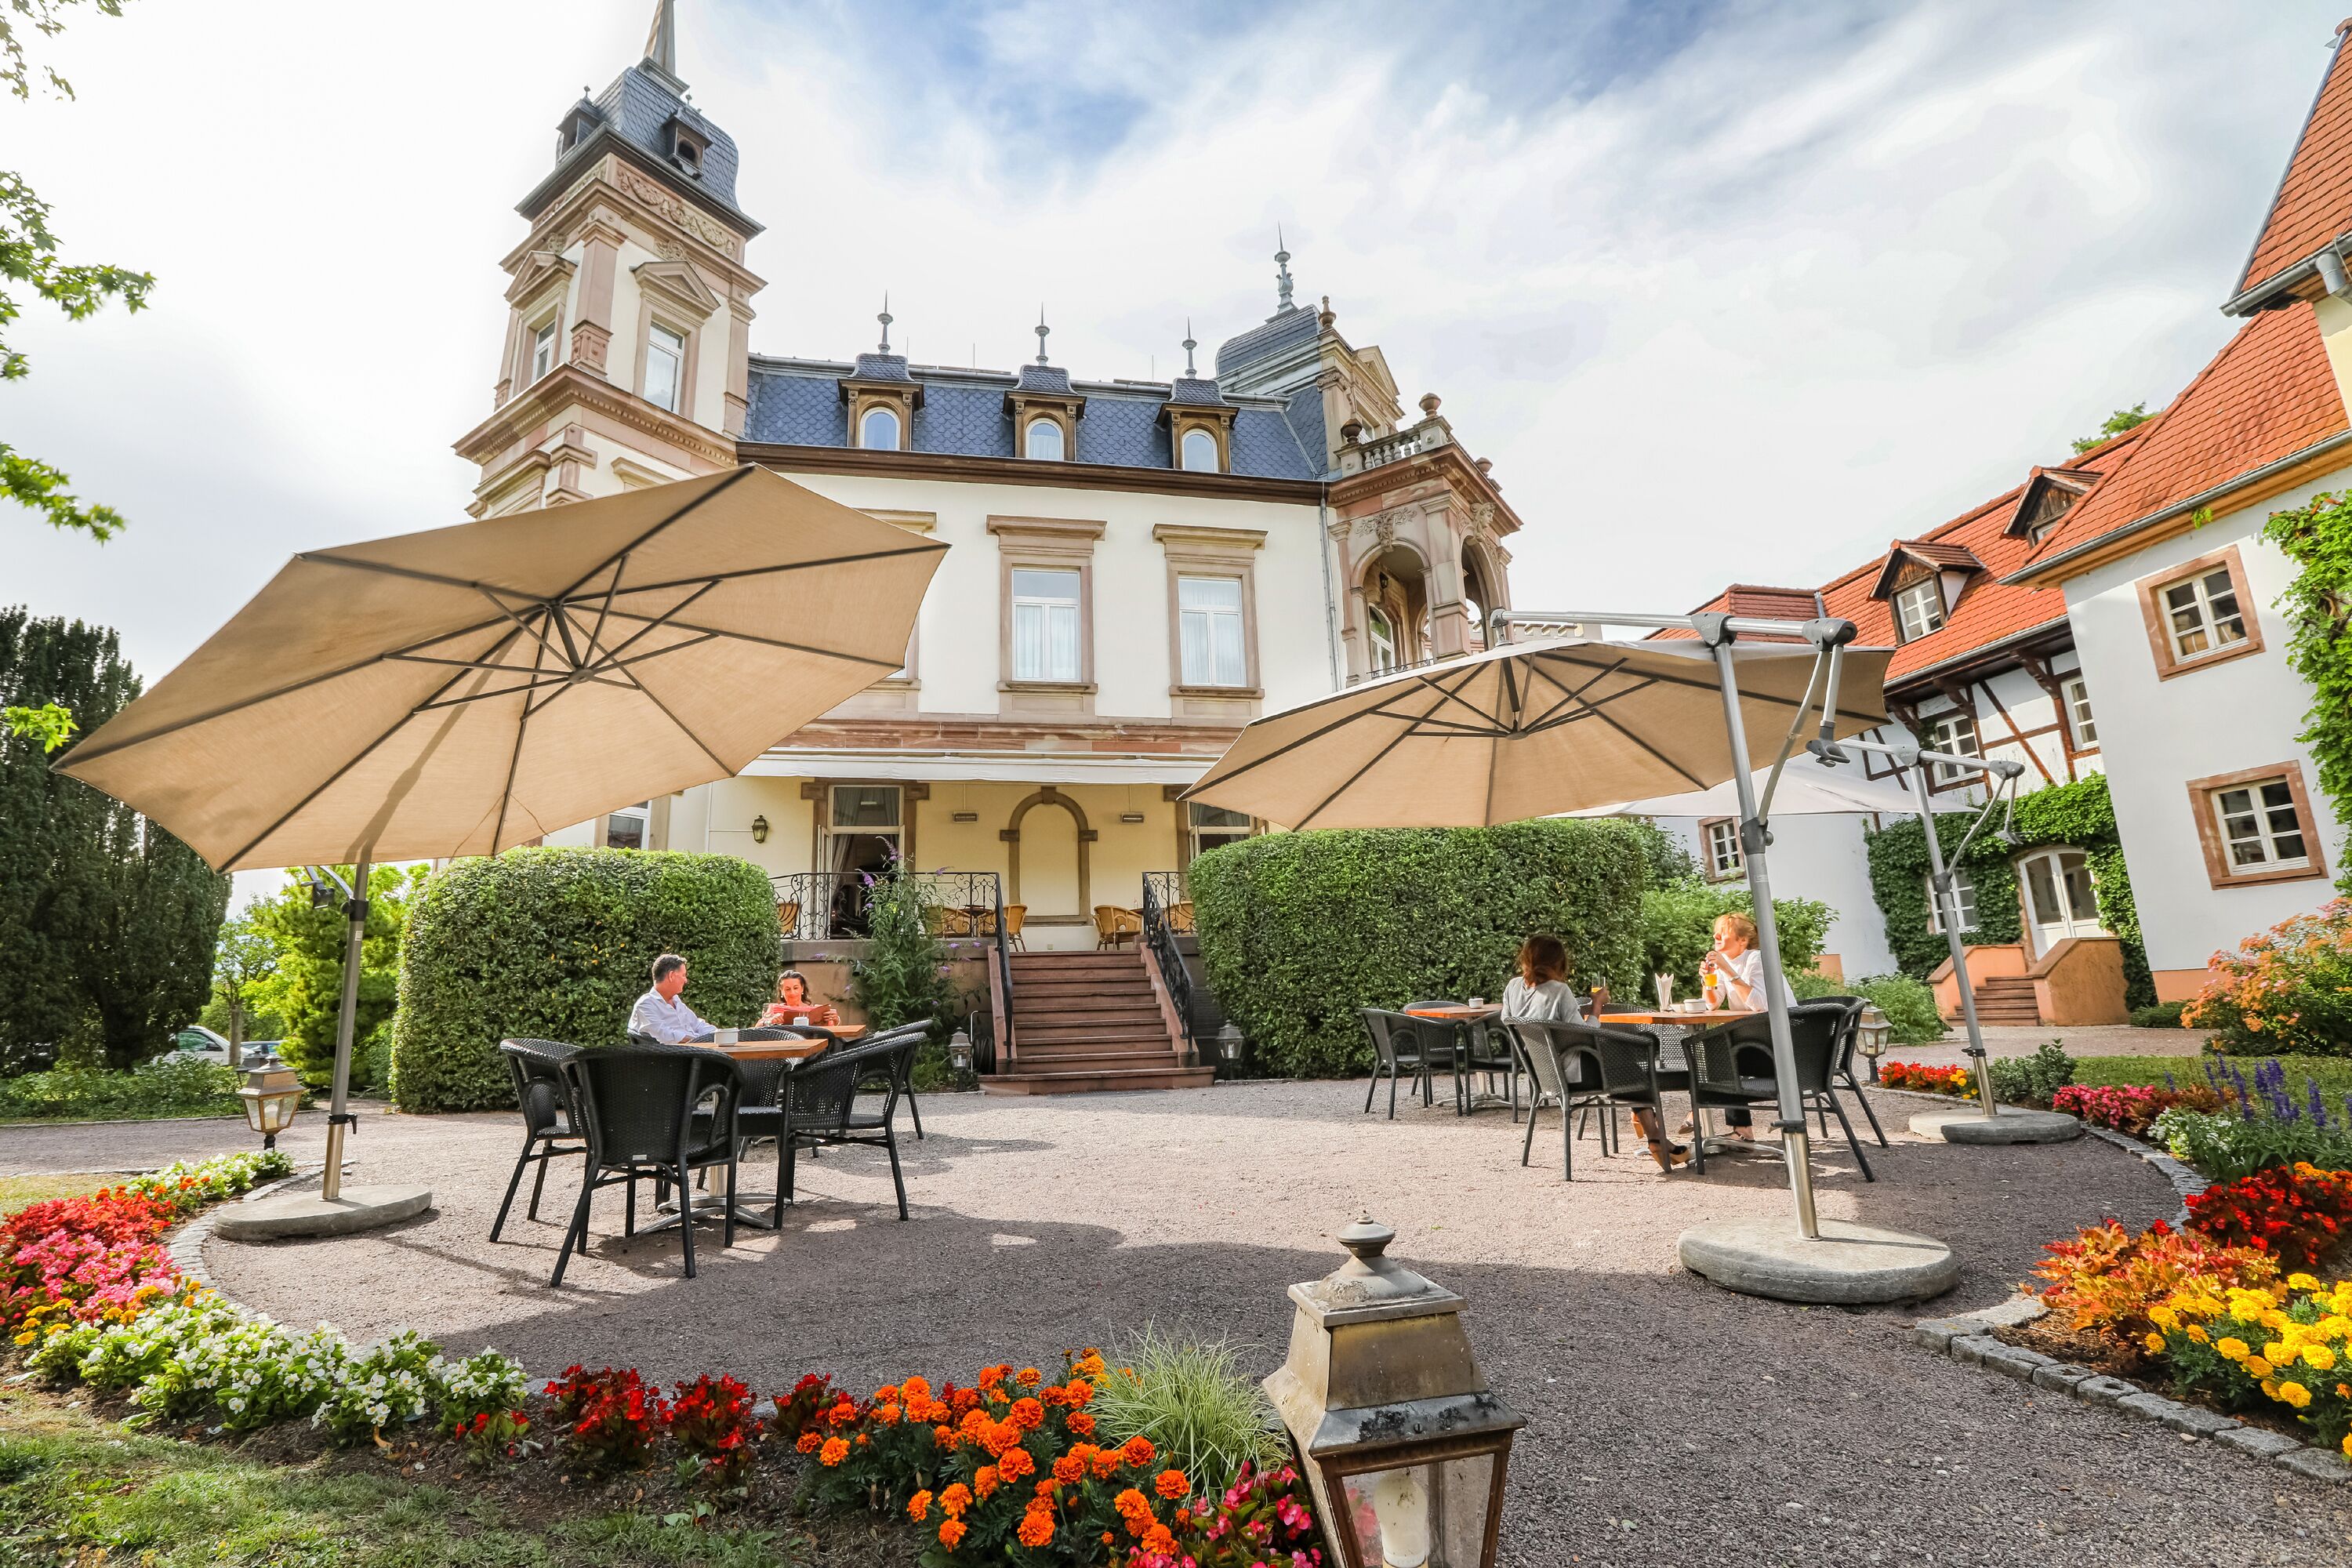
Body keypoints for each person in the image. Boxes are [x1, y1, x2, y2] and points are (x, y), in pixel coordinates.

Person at [1504, 935, 1684, 1171]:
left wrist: (1583, 1009)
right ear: (1559, 962)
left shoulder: (1513, 987)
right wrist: (1597, 1006)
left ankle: (1646, 1121)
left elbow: (1523, 1020)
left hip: (1541, 1072)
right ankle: (1654, 1135)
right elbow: (1584, 1033)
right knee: (1634, 1063)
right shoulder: (1560, 990)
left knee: (1624, 1061)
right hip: (1574, 1074)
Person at [1695, 912, 1768, 1141]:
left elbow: (1759, 1004)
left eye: (1723, 933)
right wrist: (1708, 980)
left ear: (1742, 941)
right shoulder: (1724, 965)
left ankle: (1702, 1113)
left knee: (1721, 1057)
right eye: (1716, 932)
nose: (1716, 936)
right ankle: (1741, 1130)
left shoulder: (1756, 959)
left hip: (1779, 1047)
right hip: (1755, 1042)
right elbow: (1712, 1004)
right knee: (1715, 1054)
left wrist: (1728, 970)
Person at [630, 953, 713, 1044]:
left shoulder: (676, 1001)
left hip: (696, 1051)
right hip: (679, 1056)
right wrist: (701, 1040)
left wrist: (719, 1034)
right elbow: (666, 1035)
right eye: (683, 975)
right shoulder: (645, 1005)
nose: (686, 980)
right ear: (671, 976)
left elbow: (697, 1024)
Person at [760, 969, 840, 1029]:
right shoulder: (774, 1010)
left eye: (796, 988)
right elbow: (755, 1030)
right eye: (787, 989)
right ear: (781, 992)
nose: (792, 993)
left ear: (802, 989)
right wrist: (770, 1022)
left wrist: (836, 1021)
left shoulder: (817, 1010)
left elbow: (831, 1033)